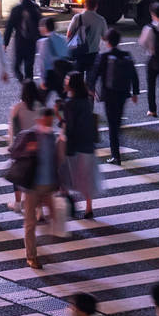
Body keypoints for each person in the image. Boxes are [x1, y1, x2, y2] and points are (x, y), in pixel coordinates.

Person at [13, 106, 65, 268]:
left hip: (48, 186)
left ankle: (43, 245)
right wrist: (28, 151)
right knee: (30, 223)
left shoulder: (51, 137)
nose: (49, 125)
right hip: (33, 186)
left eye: (51, 122)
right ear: (39, 120)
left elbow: (55, 161)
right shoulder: (29, 135)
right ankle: (31, 256)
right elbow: (14, 152)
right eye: (47, 122)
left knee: (55, 217)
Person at [59, 73, 101, 219]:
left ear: (72, 85)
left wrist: (59, 118)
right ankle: (88, 208)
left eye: (66, 82)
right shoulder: (88, 100)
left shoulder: (69, 104)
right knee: (87, 177)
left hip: (74, 146)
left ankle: (68, 203)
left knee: (65, 174)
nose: (65, 84)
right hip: (88, 144)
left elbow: (69, 127)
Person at [94, 30, 139, 163]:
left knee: (111, 124)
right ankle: (117, 147)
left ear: (107, 42)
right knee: (117, 121)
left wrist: (92, 90)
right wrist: (135, 93)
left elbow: (95, 74)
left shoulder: (104, 56)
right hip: (122, 93)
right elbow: (134, 75)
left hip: (108, 94)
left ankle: (116, 155)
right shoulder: (126, 55)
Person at [2, 0, 42, 86]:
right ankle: (30, 91)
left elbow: (9, 28)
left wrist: (5, 43)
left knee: (16, 67)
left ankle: (25, 85)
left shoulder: (16, 9)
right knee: (29, 68)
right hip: (32, 42)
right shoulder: (35, 7)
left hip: (20, 42)